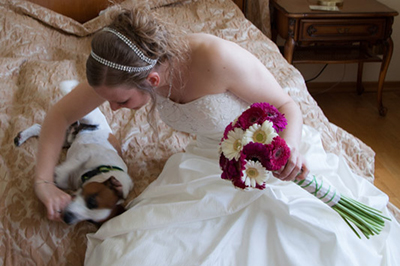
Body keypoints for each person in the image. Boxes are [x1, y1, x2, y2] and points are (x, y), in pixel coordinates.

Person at [35, 6, 400, 266]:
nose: (112, 110)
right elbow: (61, 114)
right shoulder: (122, 69)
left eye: (120, 102)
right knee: (132, 253)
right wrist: (44, 181)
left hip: (268, 155)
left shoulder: (215, 57)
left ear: (152, 80)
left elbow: (288, 104)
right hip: (208, 163)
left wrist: (285, 151)